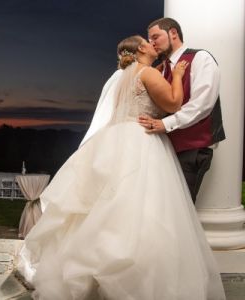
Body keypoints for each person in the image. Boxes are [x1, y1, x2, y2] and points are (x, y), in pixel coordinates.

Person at [17, 35, 226, 300]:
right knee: (143, 207)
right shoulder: (148, 73)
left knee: (107, 205)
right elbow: (173, 104)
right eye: (148, 42)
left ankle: (92, 266)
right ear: (141, 48)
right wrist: (178, 75)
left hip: (113, 140)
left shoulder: (118, 77)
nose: (153, 45)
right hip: (141, 139)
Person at [139, 18, 225, 203]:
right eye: (150, 39)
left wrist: (165, 124)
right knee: (158, 206)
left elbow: (202, 104)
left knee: (180, 209)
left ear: (173, 33)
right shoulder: (160, 70)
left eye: (155, 37)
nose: (152, 43)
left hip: (192, 150)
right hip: (163, 150)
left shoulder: (201, 58)